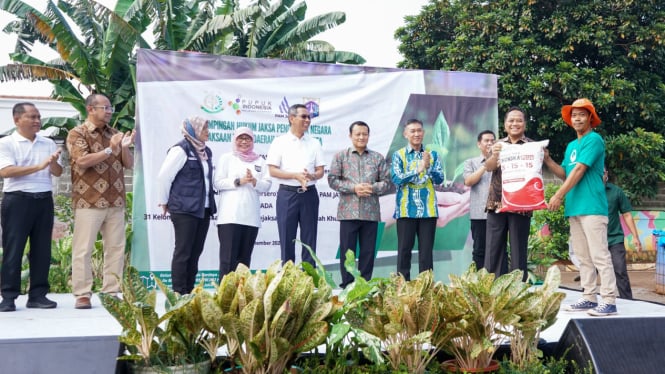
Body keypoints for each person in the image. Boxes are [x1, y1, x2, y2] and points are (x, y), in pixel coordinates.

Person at [545, 98, 618, 316]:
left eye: (582, 114)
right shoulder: (571, 146)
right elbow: (566, 172)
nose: (577, 118)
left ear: (590, 118)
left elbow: (579, 171)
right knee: (583, 257)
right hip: (575, 207)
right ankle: (588, 297)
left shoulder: (594, 139)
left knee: (599, 256)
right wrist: (548, 161)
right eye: (574, 115)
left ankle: (609, 301)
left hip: (593, 207)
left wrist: (558, 195)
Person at [66, 93, 135, 309]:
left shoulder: (114, 133)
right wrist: (109, 149)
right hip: (89, 201)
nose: (109, 111)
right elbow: (82, 161)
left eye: (110, 108)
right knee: (83, 249)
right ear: (90, 109)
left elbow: (129, 164)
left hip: (115, 201)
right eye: (104, 108)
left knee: (115, 248)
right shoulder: (77, 133)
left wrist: (123, 147)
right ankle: (82, 294)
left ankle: (111, 291)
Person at [0, 103, 62, 312]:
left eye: (38, 117)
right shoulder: (7, 143)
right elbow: (6, 171)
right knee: (13, 249)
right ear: (17, 119)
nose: (37, 121)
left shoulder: (48, 143)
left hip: (43, 199)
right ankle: (8, 297)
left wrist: (52, 163)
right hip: (17, 200)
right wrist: (39, 166)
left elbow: (57, 172)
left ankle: (38, 295)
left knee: (42, 250)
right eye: (32, 117)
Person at [157, 116, 216, 294]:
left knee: (196, 251)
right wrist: (164, 201)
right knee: (183, 252)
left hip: (203, 209)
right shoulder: (181, 150)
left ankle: (189, 291)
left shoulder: (207, 152)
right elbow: (164, 177)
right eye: (204, 128)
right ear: (194, 131)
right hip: (184, 209)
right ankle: (179, 292)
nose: (207, 132)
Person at [328, 121, 391, 288]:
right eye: (358, 134)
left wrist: (372, 188)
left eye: (365, 134)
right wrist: (353, 188)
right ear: (350, 136)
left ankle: (364, 285)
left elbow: (386, 182)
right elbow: (332, 181)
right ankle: (347, 285)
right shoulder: (340, 157)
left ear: (369, 136)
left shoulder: (377, 158)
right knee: (347, 252)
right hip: (348, 212)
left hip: (370, 212)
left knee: (368, 252)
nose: (361, 137)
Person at [266, 104, 325, 267]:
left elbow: (321, 171)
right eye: (303, 116)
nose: (307, 120)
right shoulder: (279, 142)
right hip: (287, 195)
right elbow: (272, 170)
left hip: (309, 195)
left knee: (309, 239)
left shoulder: (314, 143)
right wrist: (295, 176)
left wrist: (311, 175)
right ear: (291, 118)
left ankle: (309, 280)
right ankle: (288, 279)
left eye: (309, 117)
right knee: (286, 238)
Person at [484, 107, 536, 281]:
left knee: (518, 249)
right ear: (505, 125)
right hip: (497, 202)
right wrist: (495, 156)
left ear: (525, 124)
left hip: (521, 204)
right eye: (511, 121)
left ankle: (517, 289)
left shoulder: (532, 146)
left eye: (519, 120)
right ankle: (492, 289)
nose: (515, 124)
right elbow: (489, 167)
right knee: (493, 248)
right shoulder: (498, 144)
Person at [390, 119, 445, 280]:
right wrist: (418, 169)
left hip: (428, 210)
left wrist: (428, 167)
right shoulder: (399, 155)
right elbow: (396, 178)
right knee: (404, 252)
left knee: (426, 253)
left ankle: (425, 288)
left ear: (424, 133)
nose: (416, 134)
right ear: (405, 134)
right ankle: (402, 287)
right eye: (412, 131)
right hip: (406, 210)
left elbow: (440, 179)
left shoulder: (432, 154)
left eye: (419, 130)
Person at [214, 127, 271, 278]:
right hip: (230, 217)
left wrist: (253, 181)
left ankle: (241, 297)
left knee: (244, 262)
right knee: (228, 261)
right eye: (241, 138)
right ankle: (224, 298)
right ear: (235, 139)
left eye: (248, 138)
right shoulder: (227, 158)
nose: (244, 141)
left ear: (252, 141)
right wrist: (239, 181)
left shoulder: (260, 161)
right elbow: (218, 182)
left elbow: (266, 185)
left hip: (251, 218)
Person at [604, 167, 641, 299]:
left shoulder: (616, 192)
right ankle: (589, 300)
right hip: (595, 240)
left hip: (615, 239)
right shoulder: (590, 193)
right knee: (590, 273)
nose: (599, 176)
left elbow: (627, 215)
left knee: (620, 270)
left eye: (602, 173)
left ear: (606, 173)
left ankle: (627, 300)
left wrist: (635, 237)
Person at [463, 130, 495, 270]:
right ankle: (480, 282)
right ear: (479, 144)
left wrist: (494, 160)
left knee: (498, 248)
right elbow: (469, 181)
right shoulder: (471, 162)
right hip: (479, 214)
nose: (490, 143)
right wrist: (486, 164)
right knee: (479, 250)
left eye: (492, 141)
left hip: (498, 212)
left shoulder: (501, 162)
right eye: (486, 141)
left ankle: (498, 279)